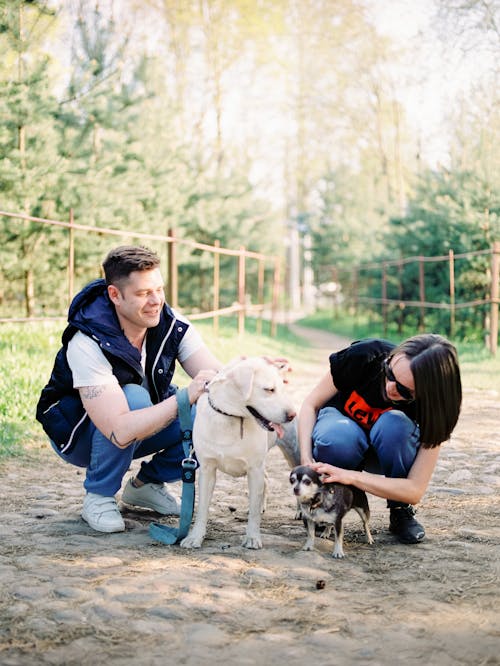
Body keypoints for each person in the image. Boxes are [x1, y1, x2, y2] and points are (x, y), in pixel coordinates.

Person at [36, 245, 222, 533]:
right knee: (135, 396)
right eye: (143, 293)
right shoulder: (86, 341)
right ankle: (99, 496)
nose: (156, 300)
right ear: (115, 295)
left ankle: (145, 485)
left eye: (159, 289)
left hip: (141, 422)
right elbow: (120, 429)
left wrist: (256, 373)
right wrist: (184, 398)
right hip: (80, 436)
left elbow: (217, 380)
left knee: (208, 409)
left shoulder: (173, 325)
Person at [297, 334, 462, 544]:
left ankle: (399, 511)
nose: (390, 386)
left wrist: (352, 478)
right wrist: (305, 455)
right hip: (343, 437)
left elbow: (415, 489)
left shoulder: (436, 409)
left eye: (403, 390)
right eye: (389, 372)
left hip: (384, 450)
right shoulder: (366, 355)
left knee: (395, 424)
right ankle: (330, 498)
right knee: (337, 435)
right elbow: (311, 404)